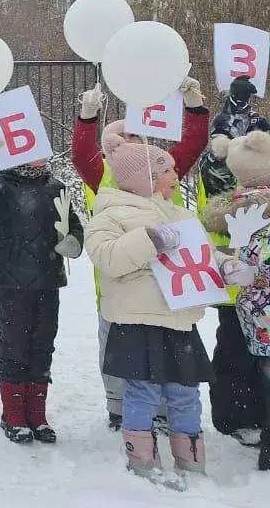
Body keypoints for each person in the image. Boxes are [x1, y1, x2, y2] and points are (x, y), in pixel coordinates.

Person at [86, 132, 251, 486]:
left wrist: (224, 266)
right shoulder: (110, 212)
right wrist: (151, 239)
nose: (175, 176)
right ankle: (141, 462)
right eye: (166, 171)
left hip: (179, 319)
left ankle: (191, 462)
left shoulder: (179, 213)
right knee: (143, 392)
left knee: (185, 391)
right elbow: (108, 257)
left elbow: (200, 253)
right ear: (142, 177)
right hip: (136, 320)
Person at [74, 78, 209, 431]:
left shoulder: (164, 168)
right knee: (121, 348)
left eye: (138, 138)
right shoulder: (102, 174)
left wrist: (194, 106)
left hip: (172, 278)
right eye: (124, 139)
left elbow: (194, 144)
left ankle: (162, 413)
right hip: (123, 279)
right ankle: (121, 409)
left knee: (168, 350)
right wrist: (88, 117)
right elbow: (80, 153)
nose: (133, 144)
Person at [0, 137, 83, 445]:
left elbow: (74, 224)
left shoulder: (56, 187)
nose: (44, 153)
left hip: (48, 277)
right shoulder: (0, 184)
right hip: (11, 279)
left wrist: (74, 241)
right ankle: (13, 413)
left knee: (43, 344)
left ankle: (37, 413)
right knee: (14, 344)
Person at [199, 75, 269, 447]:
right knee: (236, 349)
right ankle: (236, 416)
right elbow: (216, 171)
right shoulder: (222, 164)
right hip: (236, 279)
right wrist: (235, 111)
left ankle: (259, 414)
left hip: (264, 284)